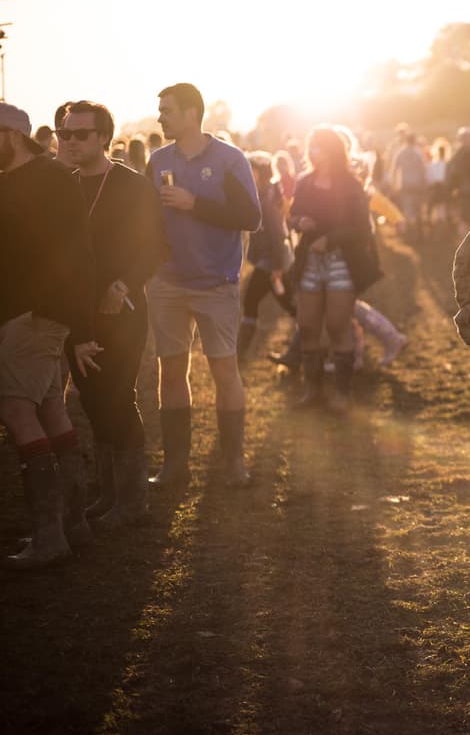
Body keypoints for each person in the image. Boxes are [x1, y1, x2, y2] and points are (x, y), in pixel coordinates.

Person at [53, 101, 168, 531]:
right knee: (92, 399)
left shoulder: (131, 186)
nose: (71, 141)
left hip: (121, 310)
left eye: (81, 134)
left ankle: (132, 500)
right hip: (76, 312)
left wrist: (124, 285)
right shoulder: (63, 185)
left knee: (118, 397)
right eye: (65, 134)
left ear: (104, 137)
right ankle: (108, 493)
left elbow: (156, 246)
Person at [0, 102, 102, 568]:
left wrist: (75, 323)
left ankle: (49, 537)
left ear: (12, 135)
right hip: (25, 314)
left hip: (37, 314)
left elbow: (76, 253)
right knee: (48, 407)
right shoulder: (12, 181)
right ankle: (72, 524)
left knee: (14, 408)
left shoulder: (49, 179)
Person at [147, 82, 261, 488]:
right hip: (167, 283)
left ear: (191, 113)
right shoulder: (158, 160)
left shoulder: (230, 159)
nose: (160, 117)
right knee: (171, 371)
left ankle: (233, 463)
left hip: (216, 283)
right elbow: (145, 220)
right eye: (160, 110)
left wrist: (194, 204)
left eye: (167, 110)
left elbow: (251, 217)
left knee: (224, 371)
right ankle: (175, 466)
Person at [289, 126, 380, 411]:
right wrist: (299, 222)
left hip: (341, 261)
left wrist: (330, 239)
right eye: (311, 146)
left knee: (338, 326)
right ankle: (312, 391)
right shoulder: (305, 182)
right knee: (307, 326)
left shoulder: (350, 185)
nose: (312, 151)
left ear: (331, 151)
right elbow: (292, 215)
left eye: (318, 146)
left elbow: (362, 229)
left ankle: (343, 394)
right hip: (309, 262)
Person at [239, 152, 294, 361]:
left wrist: (278, 268)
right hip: (269, 259)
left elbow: (279, 234)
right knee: (289, 303)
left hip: (273, 261)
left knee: (251, 300)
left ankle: (239, 352)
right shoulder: (260, 193)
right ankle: (304, 341)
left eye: (250, 170)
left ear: (261, 172)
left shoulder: (268, 198)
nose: (246, 174)